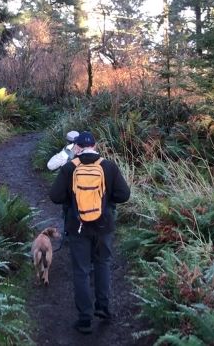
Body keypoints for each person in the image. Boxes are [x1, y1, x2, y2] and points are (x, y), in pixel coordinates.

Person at [49, 131, 130, 335]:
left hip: (77, 228)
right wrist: (106, 200)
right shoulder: (108, 166)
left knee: (81, 271)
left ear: (77, 147)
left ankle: (84, 319)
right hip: (104, 227)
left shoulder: (70, 168)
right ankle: (103, 308)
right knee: (103, 264)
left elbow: (55, 196)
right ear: (95, 145)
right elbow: (124, 194)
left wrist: (72, 200)